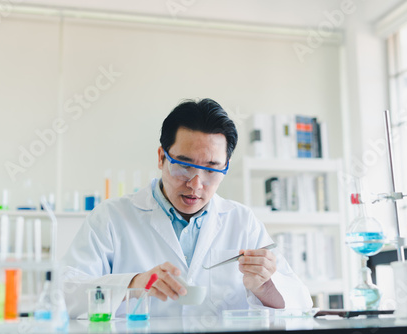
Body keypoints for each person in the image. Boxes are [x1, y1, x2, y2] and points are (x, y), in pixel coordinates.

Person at [61, 98, 312, 319]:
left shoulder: (242, 221)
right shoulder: (111, 217)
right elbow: (66, 294)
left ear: (226, 167)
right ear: (161, 157)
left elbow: (301, 307)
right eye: (184, 165)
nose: (196, 184)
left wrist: (264, 287)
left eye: (212, 169)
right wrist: (133, 284)